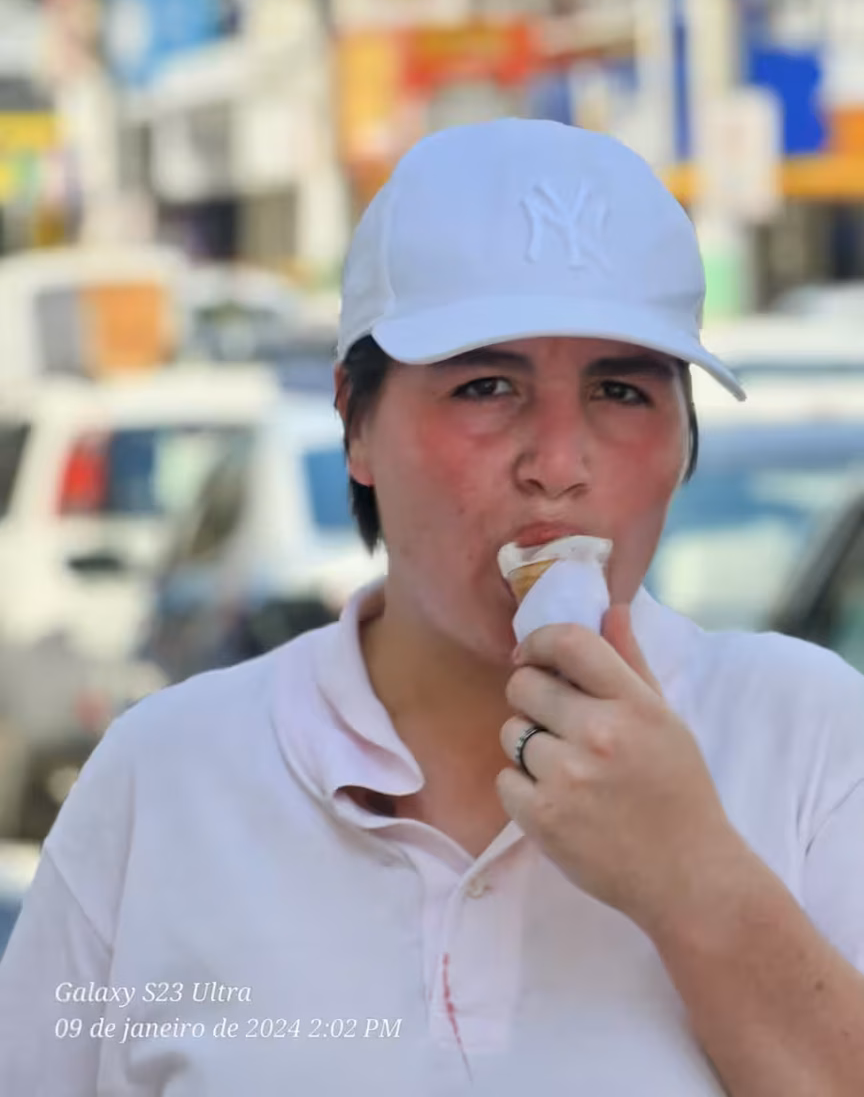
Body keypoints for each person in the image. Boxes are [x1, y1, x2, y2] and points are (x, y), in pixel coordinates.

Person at [1, 119, 863, 1097]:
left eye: (622, 390)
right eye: (486, 386)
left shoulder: (808, 738)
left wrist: (691, 878)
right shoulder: (165, 781)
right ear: (355, 424)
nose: (558, 464)